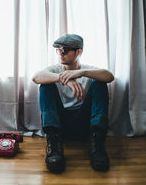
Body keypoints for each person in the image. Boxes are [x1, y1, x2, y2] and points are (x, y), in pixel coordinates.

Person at [32, 34, 114, 173]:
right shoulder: (55, 69)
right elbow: (36, 77)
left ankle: (97, 147)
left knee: (100, 83)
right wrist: (64, 79)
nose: (61, 53)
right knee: (45, 86)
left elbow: (109, 76)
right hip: (61, 126)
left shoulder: (87, 69)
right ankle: (54, 147)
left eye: (65, 50)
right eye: (59, 50)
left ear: (78, 52)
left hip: (85, 125)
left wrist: (82, 73)